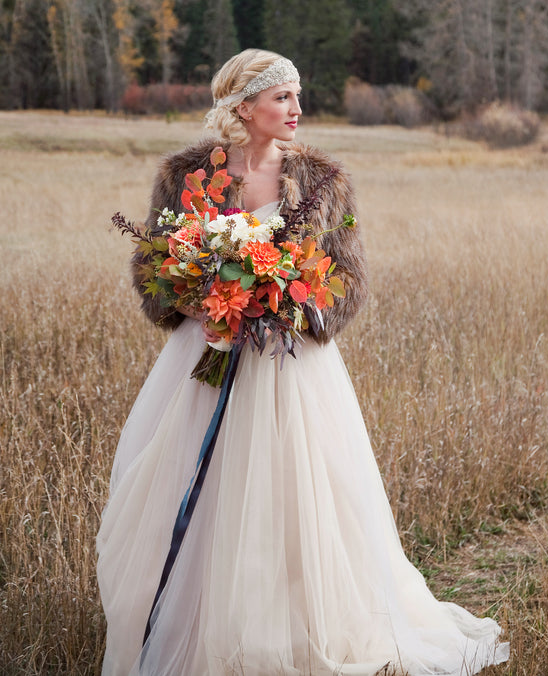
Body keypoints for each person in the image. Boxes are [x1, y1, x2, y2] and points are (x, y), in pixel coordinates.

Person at [97, 49, 509, 676]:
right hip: (204, 358)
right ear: (244, 107)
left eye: (297, 96)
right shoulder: (187, 176)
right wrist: (199, 299)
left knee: (295, 501)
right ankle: (194, 627)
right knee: (196, 492)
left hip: (292, 364)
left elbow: (349, 281)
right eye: (282, 97)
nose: (297, 109)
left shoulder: (321, 183)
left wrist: (283, 304)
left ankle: (291, 633)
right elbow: (152, 267)